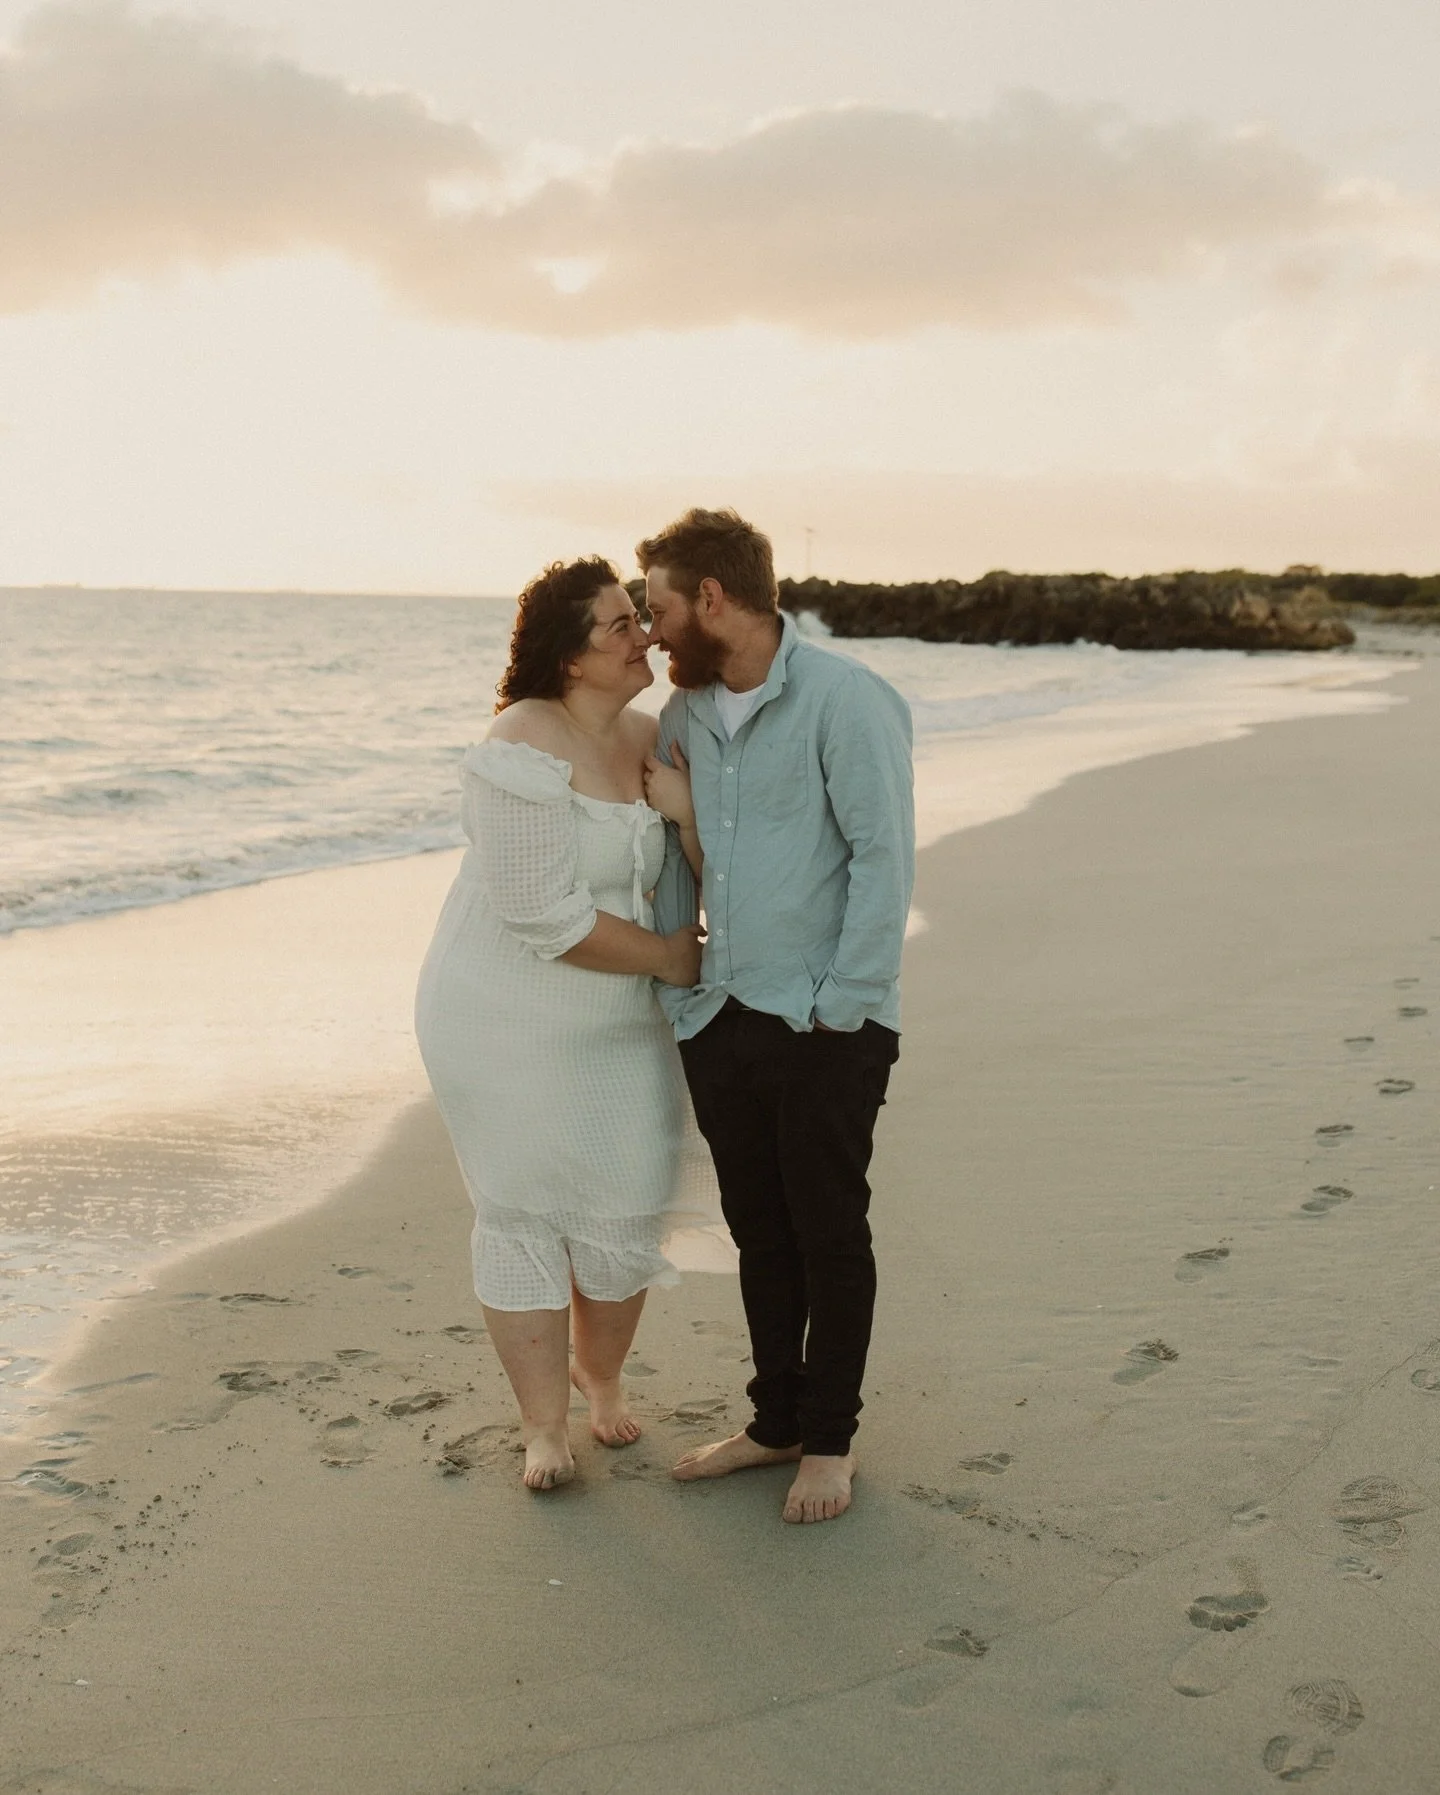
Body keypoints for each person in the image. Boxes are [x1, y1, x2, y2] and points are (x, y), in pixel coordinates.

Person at [640, 508, 915, 1525]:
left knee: (828, 1231)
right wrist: (683, 990)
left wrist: (841, 1006)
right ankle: (776, 1421)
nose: (651, 630)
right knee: (760, 1232)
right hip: (721, 1013)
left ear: (711, 598)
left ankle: (829, 1440)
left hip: (826, 1020)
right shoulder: (683, 718)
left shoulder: (847, 699)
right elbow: (679, 863)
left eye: (659, 608)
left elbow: (884, 858)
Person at [414, 557, 711, 1492]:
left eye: (638, 618)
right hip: (503, 1018)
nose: (644, 636)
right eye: (620, 625)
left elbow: (709, 864)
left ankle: (602, 1375)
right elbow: (543, 916)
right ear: (570, 657)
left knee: (628, 1201)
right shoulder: (520, 744)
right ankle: (543, 1426)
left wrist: (688, 816)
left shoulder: (656, 737)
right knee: (525, 1210)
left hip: (622, 1017)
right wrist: (669, 958)